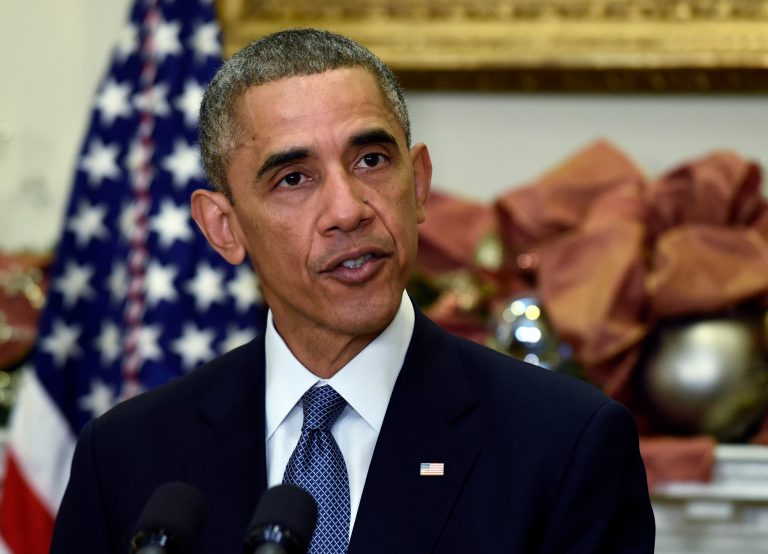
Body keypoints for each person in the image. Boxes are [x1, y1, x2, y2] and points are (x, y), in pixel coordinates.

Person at [51, 28, 655, 553]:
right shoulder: (128, 457)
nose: (347, 210)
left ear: (418, 186)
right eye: (293, 178)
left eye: (370, 160)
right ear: (223, 227)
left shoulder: (565, 443)